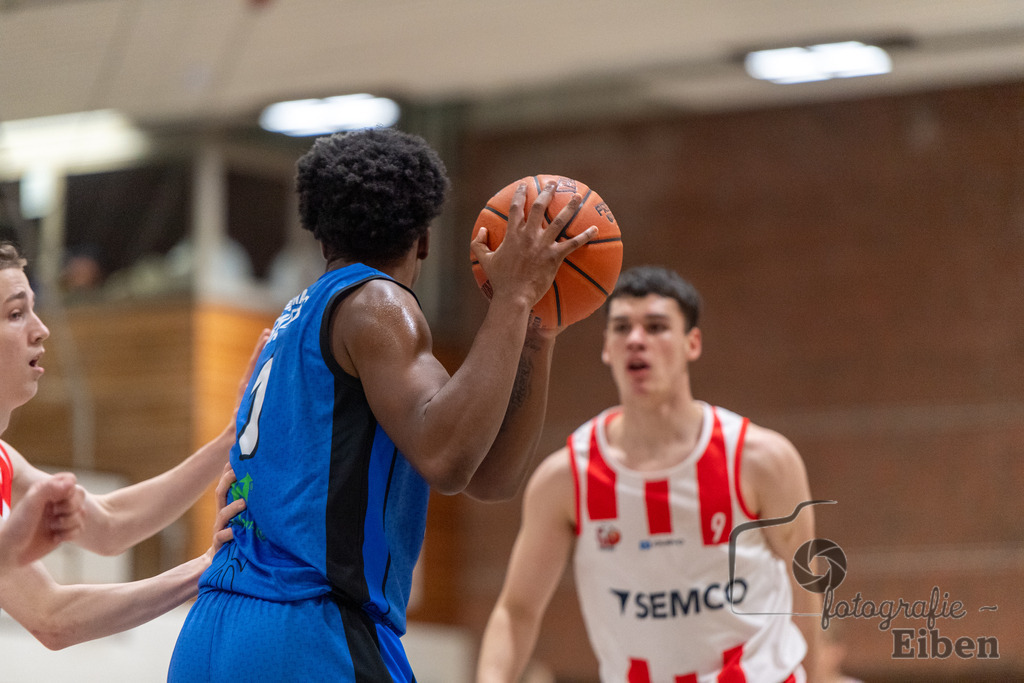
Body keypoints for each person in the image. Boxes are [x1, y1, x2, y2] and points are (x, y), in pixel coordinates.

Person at [168, 127, 597, 682]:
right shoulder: (379, 304)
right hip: (306, 631)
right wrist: (513, 296)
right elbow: (447, 460)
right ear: (423, 239)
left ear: (321, 238)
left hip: (215, 631)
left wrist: (535, 331)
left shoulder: (297, 323)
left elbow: (489, 473)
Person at [478, 265, 823, 682]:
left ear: (691, 343)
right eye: (622, 328)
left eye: (656, 327)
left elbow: (806, 586)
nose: (637, 340)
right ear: (606, 347)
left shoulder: (761, 458)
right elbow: (517, 610)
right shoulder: (567, 478)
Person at [0, 240, 260, 649]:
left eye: (33, 307)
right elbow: (50, 616)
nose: (41, 327)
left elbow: (109, 523)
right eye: (16, 313)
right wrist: (206, 567)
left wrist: (230, 436)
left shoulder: (5, 461)